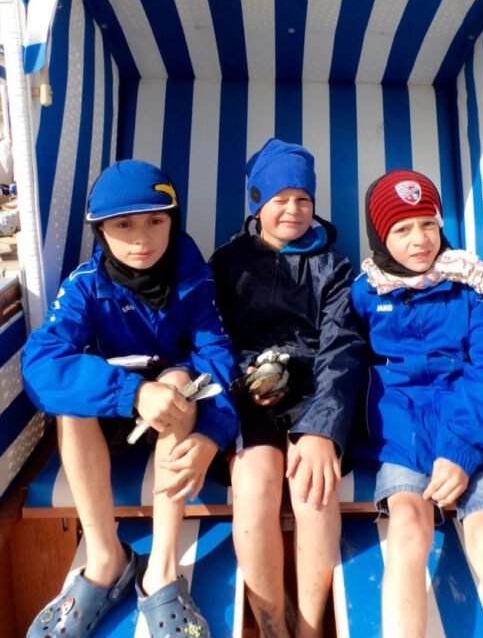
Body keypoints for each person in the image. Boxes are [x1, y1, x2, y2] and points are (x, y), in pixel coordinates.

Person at [22, 159, 238, 638]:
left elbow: (219, 356)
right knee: (69, 404)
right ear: (101, 231)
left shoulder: (193, 279)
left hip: (174, 421)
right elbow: (40, 367)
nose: (142, 238)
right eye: (124, 225)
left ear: (172, 222)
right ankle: (106, 559)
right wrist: (134, 392)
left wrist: (211, 432)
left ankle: (161, 569)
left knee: (182, 381)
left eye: (155, 221)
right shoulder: (86, 286)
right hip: (116, 412)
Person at [351, 169, 483, 638]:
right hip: (401, 429)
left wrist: (462, 449)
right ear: (379, 236)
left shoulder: (475, 282)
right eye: (402, 229)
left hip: (477, 425)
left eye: (427, 224)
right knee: (408, 528)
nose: (420, 240)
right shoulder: (366, 291)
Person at [209, 138, 365, 638]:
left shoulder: (335, 267)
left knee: (313, 488)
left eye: (303, 199)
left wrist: (323, 430)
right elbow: (212, 337)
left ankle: (311, 625)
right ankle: (273, 624)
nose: (293, 210)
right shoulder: (229, 263)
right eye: (279, 200)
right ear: (257, 204)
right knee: (255, 483)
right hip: (249, 391)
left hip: (316, 393)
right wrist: (245, 376)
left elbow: (342, 349)